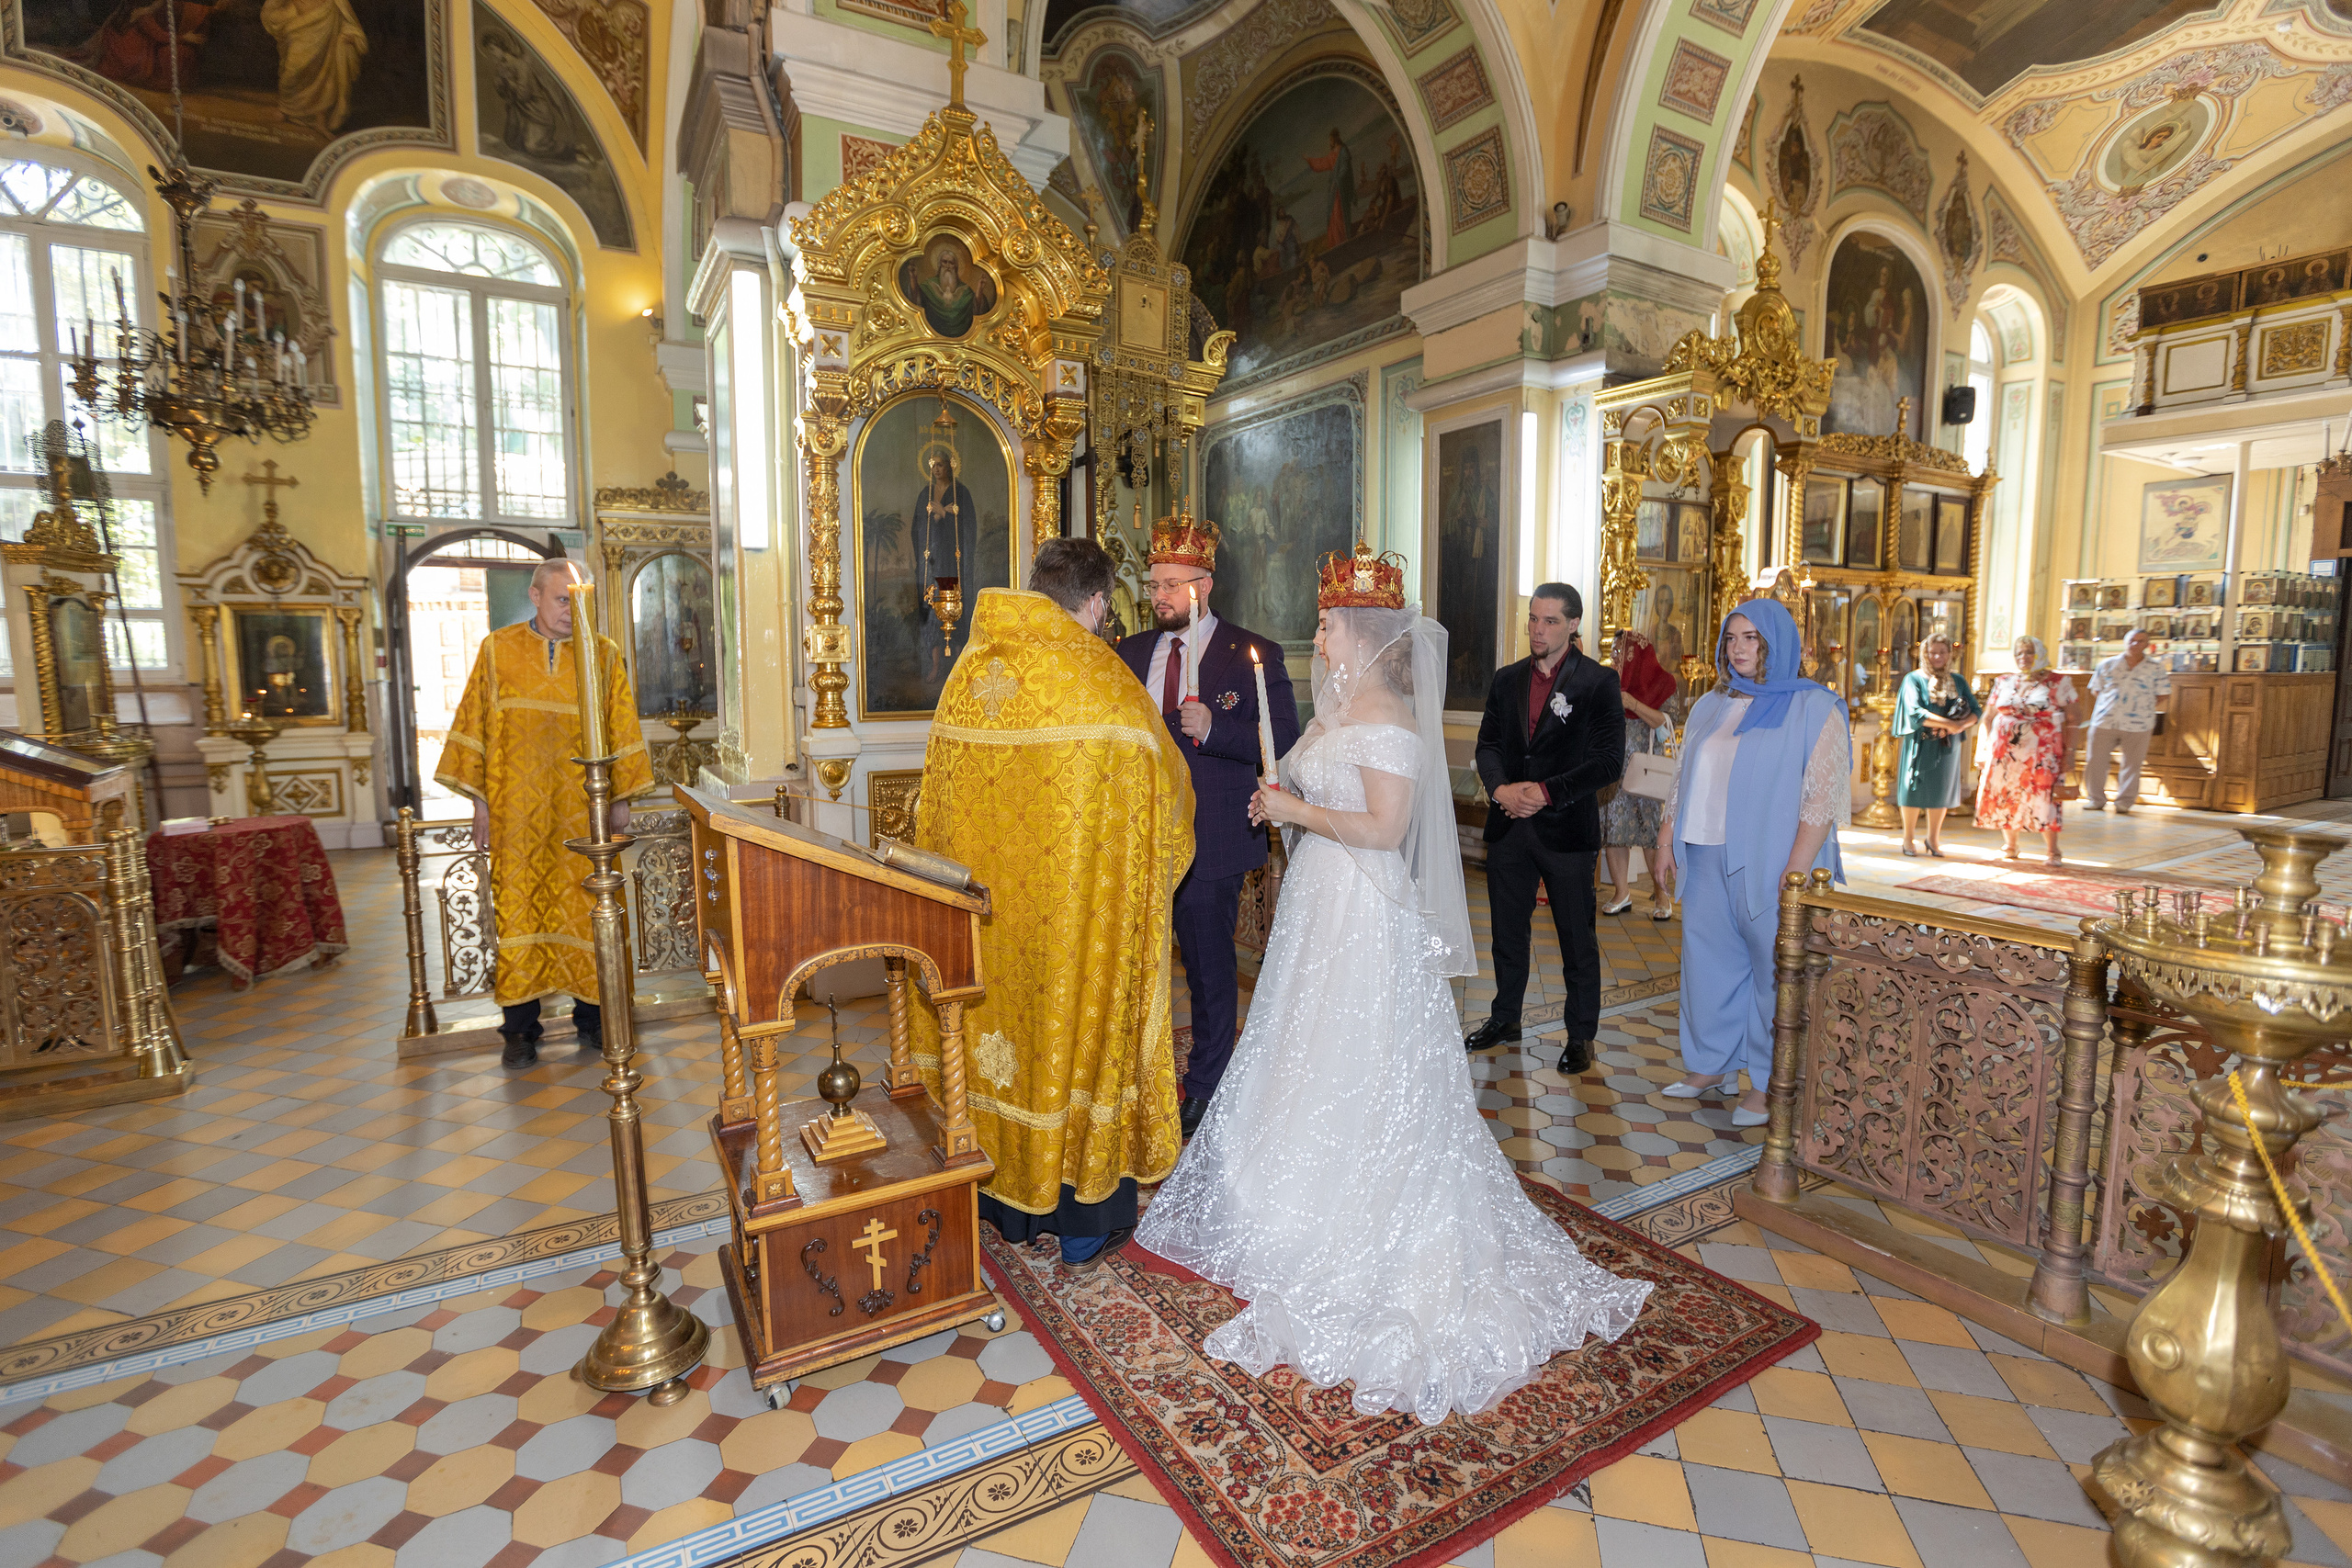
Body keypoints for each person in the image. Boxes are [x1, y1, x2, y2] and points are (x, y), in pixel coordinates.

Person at [1135, 541, 1654, 1425]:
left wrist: (1294, 808)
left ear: (1364, 632)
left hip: (1365, 912)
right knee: (1299, 1042)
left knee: (1356, 1053)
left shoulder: (1389, 722)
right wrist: (1272, 780)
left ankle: (1359, 1207)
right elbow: (1286, 758)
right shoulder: (1336, 706)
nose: (1318, 634)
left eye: (1328, 623)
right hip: (1316, 908)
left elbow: (1382, 829)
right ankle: (1279, 1185)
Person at [914, 539, 1193, 1269]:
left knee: (996, 1043)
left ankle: (998, 1204)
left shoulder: (970, 673)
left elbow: (931, 802)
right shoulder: (1104, 682)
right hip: (1075, 928)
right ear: (1097, 602)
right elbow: (1168, 799)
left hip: (984, 926)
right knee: (1070, 1044)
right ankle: (1079, 1220)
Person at [1115, 514, 1301, 1139]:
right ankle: (1137, 1075)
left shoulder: (1250, 655)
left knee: (1208, 967)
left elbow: (1284, 747)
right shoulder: (1133, 652)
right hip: (1141, 836)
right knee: (1138, 964)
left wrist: (1215, 732)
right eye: (1155, 584)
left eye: (1173, 584)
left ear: (1205, 584)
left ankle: (1206, 1083)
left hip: (1212, 838)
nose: (1161, 596)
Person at [435, 559, 650, 1067]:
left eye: (579, 600)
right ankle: (520, 1031)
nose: (570, 609)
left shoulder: (602, 653)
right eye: (560, 599)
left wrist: (620, 798)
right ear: (534, 596)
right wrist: (481, 805)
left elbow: (620, 726)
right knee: (519, 908)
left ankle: (595, 1020)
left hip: (584, 812)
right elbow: (476, 729)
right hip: (517, 814)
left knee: (590, 909)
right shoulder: (497, 650)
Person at [1653, 600, 1849, 1127]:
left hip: (1772, 860)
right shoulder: (1710, 705)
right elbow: (1683, 774)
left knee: (1773, 974)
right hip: (1705, 850)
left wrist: (1795, 873)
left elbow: (1820, 800)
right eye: (1731, 638)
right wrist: (1666, 835)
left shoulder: (1815, 708)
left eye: (1751, 639)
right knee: (1707, 963)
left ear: (1776, 643)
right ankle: (1708, 1065)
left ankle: (1767, 1083)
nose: (1738, 649)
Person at [1466, 584, 1625, 1075]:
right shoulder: (1507, 679)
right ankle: (1505, 1017)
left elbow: (1607, 763)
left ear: (1574, 624)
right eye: (1534, 619)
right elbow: (1488, 743)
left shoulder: (1598, 683)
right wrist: (1502, 790)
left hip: (1566, 832)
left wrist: (1545, 792)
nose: (1538, 628)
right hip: (1510, 826)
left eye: (1550, 621)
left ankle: (1580, 1035)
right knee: (1507, 934)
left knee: (1577, 939)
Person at [1976, 636, 2078, 865]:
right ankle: (2010, 845)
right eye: (2019, 653)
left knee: (2044, 798)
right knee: (2007, 794)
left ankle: (2053, 851)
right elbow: (1989, 717)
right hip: (2004, 752)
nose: (2024, 658)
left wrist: (2070, 752)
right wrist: (1982, 749)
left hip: (2043, 753)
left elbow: (2074, 718)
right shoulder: (2004, 681)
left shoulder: (2058, 682)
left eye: (2029, 652)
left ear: (2040, 653)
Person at [1600, 629, 1676, 919]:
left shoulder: (1663, 683)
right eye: (1614, 651)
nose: (1615, 656)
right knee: (1614, 831)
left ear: (1637, 653)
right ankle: (1621, 893)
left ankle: (1661, 894)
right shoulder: (1608, 681)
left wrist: (1632, 704)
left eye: (1621, 651)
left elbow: (1666, 725)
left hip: (1643, 771)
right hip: (1611, 769)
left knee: (1648, 834)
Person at [1893, 630, 1981, 857]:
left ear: (1950, 653)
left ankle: (1933, 839)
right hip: (1920, 743)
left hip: (1947, 746)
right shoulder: (1914, 679)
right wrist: (1949, 724)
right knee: (1912, 790)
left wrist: (1958, 727)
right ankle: (1908, 839)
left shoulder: (1958, 680)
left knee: (1940, 792)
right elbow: (1915, 712)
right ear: (1925, 653)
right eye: (1932, 652)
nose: (1937, 657)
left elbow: (1976, 710)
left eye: (1942, 652)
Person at [2084, 628, 2170, 816]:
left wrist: (2139, 705)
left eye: (2140, 641)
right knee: (2095, 761)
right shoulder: (2107, 664)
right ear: (2125, 642)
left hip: (2139, 724)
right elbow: (2096, 690)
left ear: (2147, 645)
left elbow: (2163, 694)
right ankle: (2095, 799)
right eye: (2131, 640)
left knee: (2132, 764)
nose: (2135, 644)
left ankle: (2124, 802)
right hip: (2105, 721)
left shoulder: (2156, 668)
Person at [260, 0, 367, 138]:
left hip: (327, 41)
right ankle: (286, 108)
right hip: (298, 29)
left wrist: (352, 37)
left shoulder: (337, 2)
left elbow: (347, 21)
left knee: (324, 78)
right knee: (292, 72)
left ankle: (320, 120)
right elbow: (274, 9)